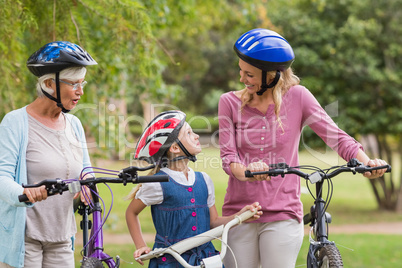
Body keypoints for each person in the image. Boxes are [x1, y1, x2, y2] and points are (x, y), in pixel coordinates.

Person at [218, 28, 389, 268]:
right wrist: (247, 172)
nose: (242, 79)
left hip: (283, 212)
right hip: (240, 212)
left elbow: (336, 137)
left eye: (249, 74)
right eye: (241, 70)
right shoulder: (229, 102)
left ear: (272, 76)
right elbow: (228, 158)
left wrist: (366, 161)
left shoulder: (298, 97)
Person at [0, 41, 97, 268]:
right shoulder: (15, 123)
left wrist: (86, 187)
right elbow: (1, 177)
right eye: (74, 84)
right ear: (48, 84)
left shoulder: (74, 124)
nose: (81, 91)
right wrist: (24, 192)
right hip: (24, 238)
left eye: (82, 83)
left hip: (62, 237)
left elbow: (85, 169)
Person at [125, 110, 262, 267]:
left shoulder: (204, 180)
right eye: (189, 133)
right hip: (171, 261)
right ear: (175, 148)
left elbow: (213, 222)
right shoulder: (157, 184)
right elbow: (131, 212)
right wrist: (141, 245)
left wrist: (239, 216)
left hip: (206, 259)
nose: (196, 136)